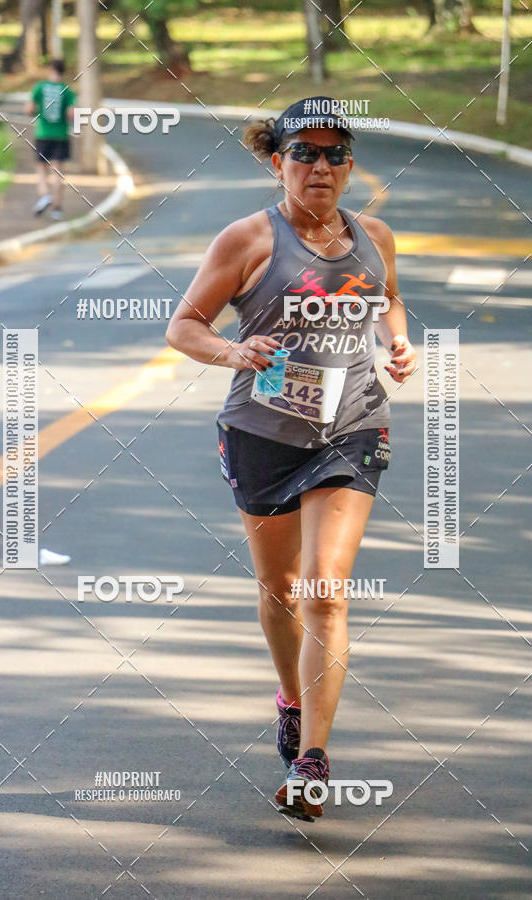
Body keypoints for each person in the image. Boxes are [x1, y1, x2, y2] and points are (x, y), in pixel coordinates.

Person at [166, 97, 417, 821]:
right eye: (303, 153)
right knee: (278, 589)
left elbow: (389, 300)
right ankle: (288, 698)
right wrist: (232, 350)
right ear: (277, 163)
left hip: (352, 428)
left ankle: (312, 760)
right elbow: (184, 326)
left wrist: (397, 342)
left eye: (335, 155)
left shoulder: (375, 236)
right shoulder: (247, 239)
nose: (321, 167)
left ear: (349, 167)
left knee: (324, 590)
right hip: (263, 434)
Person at [25, 59, 75, 220]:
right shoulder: (67, 91)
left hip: (43, 134)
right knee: (58, 171)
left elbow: (29, 109)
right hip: (61, 135)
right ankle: (57, 209)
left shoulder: (40, 87)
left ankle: (45, 195)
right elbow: (71, 114)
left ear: (51, 69)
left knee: (41, 168)